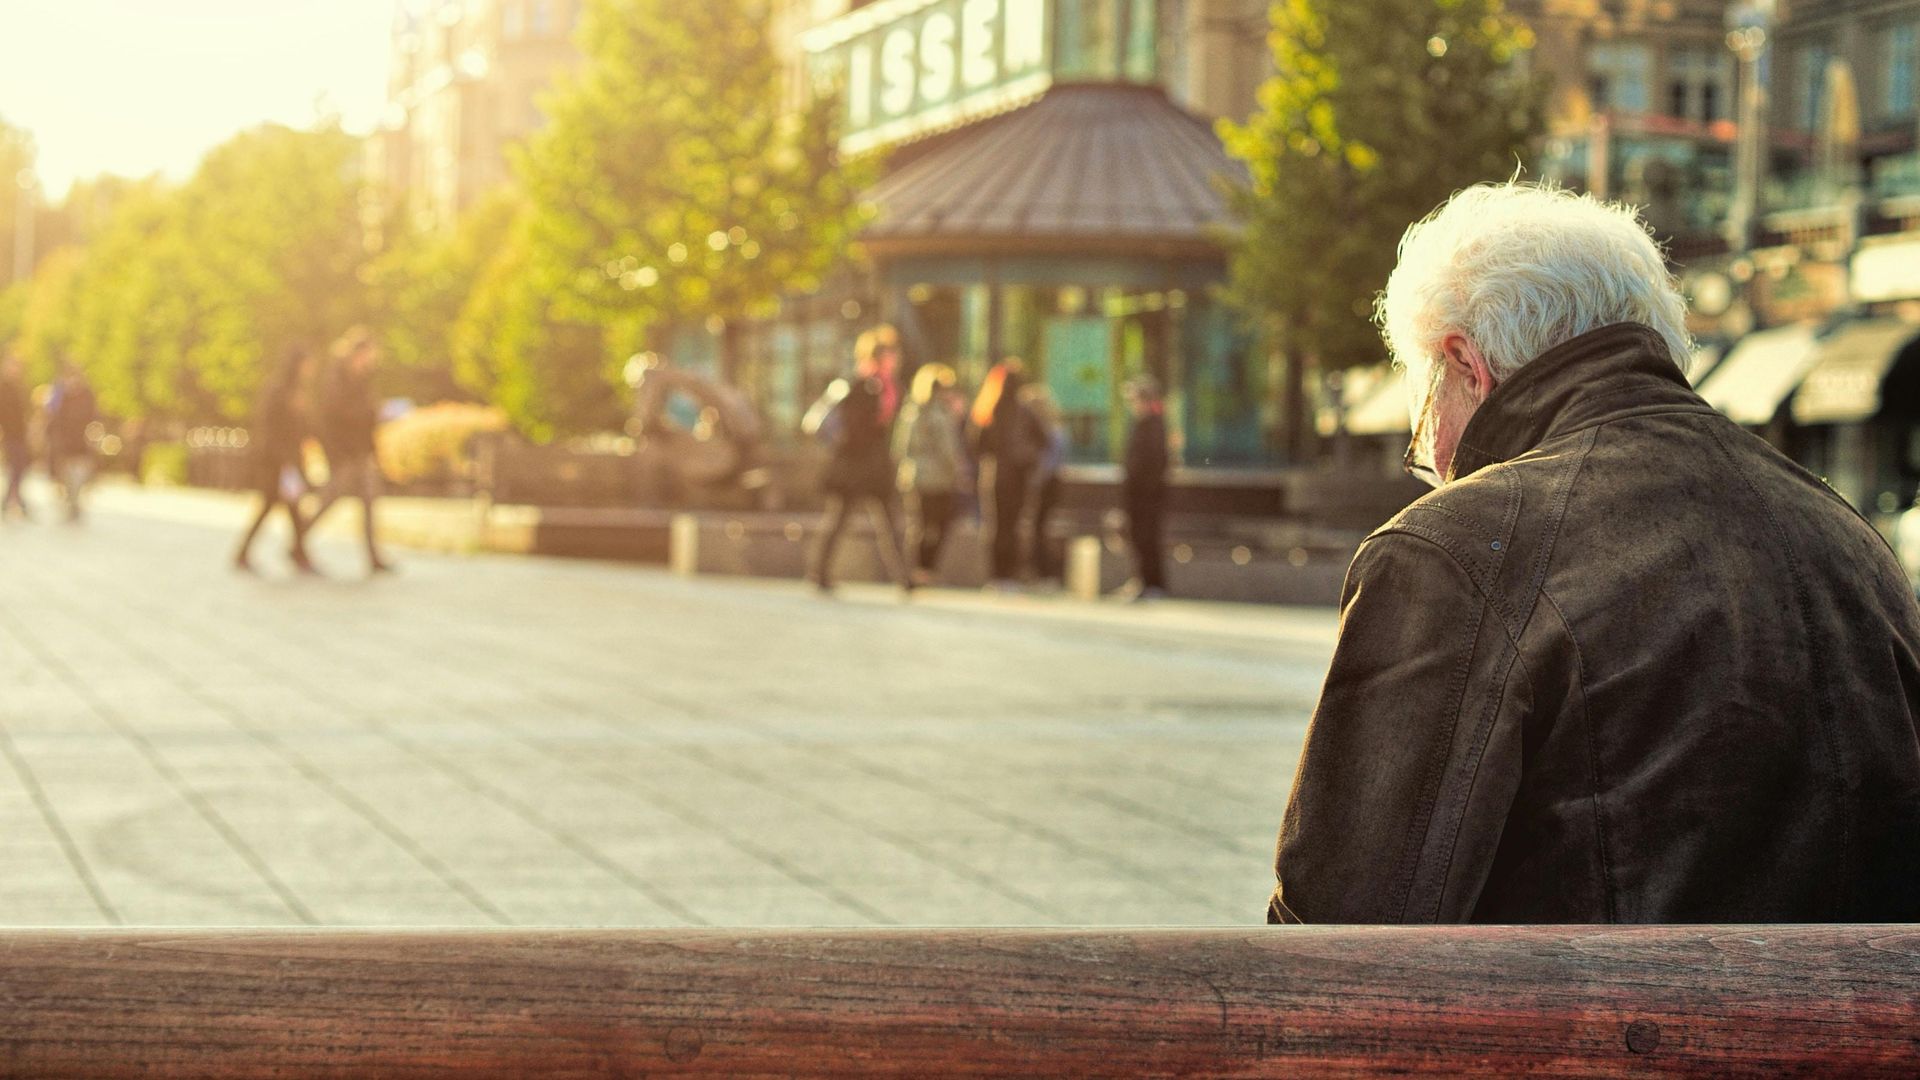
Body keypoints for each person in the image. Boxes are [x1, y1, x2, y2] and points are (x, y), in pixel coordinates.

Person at [1270, 182, 1920, 925]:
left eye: (1424, 421)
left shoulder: (1454, 549)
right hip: (1862, 1038)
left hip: (1588, 1038)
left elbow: (1342, 928)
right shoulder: (1849, 537)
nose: (1435, 460)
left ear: (1466, 365)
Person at [804, 325, 910, 594]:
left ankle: (904, 577)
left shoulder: (888, 387)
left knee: (889, 522)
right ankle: (819, 572)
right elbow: (855, 427)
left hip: (872, 466)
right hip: (855, 466)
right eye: (890, 354)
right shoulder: (862, 386)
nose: (895, 360)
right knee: (841, 519)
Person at [306, 328, 393, 573]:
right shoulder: (337, 379)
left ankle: (373, 556)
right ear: (358, 353)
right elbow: (333, 418)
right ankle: (299, 538)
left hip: (360, 453)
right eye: (370, 354)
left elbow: (366, 421)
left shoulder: (363, 379)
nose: (372, 360)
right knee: (330, 499)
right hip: (344, 453)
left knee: (368, 501)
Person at [233, 349, 320, 575]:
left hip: (288, 460)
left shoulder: (297, 391)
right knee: (276, 506)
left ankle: (296, 553)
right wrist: (283, 460)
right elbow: (270, 427)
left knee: (288, 508)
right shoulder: (279, 391)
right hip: (277, 461)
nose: (311, 370)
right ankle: (297, 554)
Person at [969, 360, 1045, 589]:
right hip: (1015, 475)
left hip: (996, 475)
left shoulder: (989, 407)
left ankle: (998, 575)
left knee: (999, 525)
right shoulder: (1022, 410)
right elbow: (1043, 440)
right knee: (1011, 525)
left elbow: (976, 444)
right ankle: (1007, 575)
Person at [894, 363, 967, 587]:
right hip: (938, 478)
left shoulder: (910, 411)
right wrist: (960, 472)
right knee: (940, 524)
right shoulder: (939, 414)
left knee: (920, 524)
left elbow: (899, 448)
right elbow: (948, 450)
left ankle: (915, 569)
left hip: (914, 476)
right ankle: (925, 569)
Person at [1118, 376, 1169, 600]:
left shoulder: (1153, 426)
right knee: (1138, 536)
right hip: (1138, 492)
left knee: (1147, 536)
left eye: (1135, 399)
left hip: (1147, 494)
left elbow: (1154, 463)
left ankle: (1152, 583)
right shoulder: (1142, 425)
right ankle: (1142, 580)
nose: (1132, 405)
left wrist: (1144, 488)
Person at [1023, 384, 1068, 587]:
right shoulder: (1052, 429)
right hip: (1047, 482)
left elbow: (1049, 462)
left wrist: (1035, 481)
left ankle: (1046, 573)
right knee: (1038, 527)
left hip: (1046, 484)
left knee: (1040, 528)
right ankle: (1039, 572)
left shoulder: (1050, 431)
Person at [43, 364, 96, 523]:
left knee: (80, 474)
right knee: (65, 474)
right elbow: (52, 417)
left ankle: (75, 500)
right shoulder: (60, 396)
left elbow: (94, 416)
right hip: (64, 442)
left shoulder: (87, 395)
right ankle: (70, 499)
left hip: (81, 441)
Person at [0, 354, 31, 520]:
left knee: (19, 469)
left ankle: (13, 500)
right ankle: (13, 501)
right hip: (9, 435)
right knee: (15, 468)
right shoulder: (3, 388)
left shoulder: (20, 387)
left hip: (20, 435)